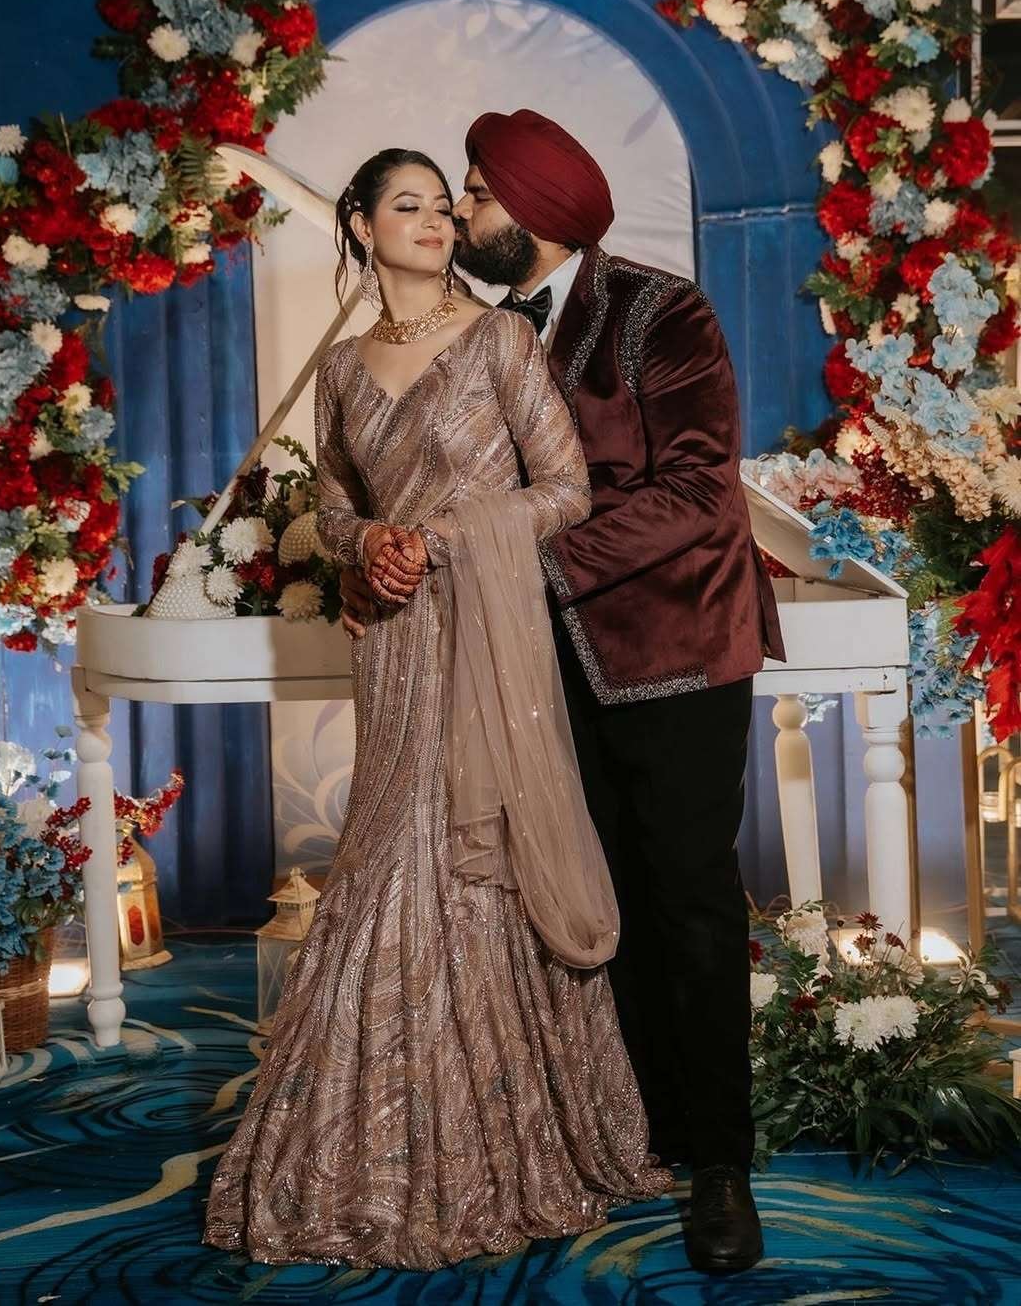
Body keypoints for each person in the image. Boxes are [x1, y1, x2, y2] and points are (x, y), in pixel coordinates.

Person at [203, 147, 673, 1270]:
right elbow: (333, 505)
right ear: (361, 226)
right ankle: (355, 1150)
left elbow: (565, 490)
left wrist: (446, 536)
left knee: (477, 856)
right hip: (398, 639)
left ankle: (500, 1137)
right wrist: (371, 542)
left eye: (440, 208)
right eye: (405, 206)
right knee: (384, 852)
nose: (433, 222)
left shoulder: (499, 341)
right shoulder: (343, 368)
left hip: (488, 638)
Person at [339, 112, 786, 1274]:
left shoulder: (656, 312)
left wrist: (517, 564)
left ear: (532, 213)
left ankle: (720, 1165)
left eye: (477, 195)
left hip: (675, 649)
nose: (460, 213)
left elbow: (699, 493)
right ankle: (637, 1130)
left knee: (689, 901)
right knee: (587, 899)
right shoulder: (480, 332)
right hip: (538, 670)